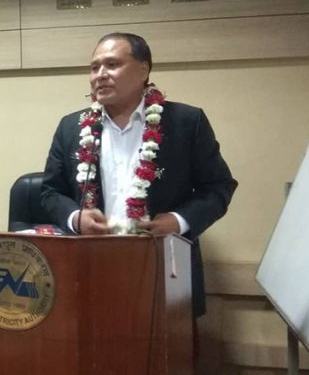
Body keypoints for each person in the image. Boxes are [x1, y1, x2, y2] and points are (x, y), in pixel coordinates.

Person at [40, 32, 237, 318]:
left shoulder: (186, 122)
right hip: (91, 266)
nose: (100, 75)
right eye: (94, 67)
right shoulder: (71, 127)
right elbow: (50, 192)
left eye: (112, 64)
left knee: (169, 346)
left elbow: (218, 187)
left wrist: (179, 221)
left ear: (143, 70)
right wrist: (75, 218)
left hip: (165, 266)